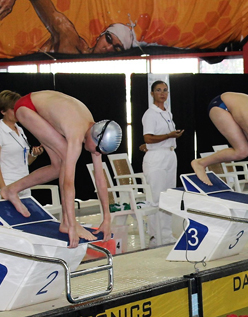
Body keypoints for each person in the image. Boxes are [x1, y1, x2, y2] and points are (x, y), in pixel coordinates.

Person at [1, 90, 122, 248]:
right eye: (97, 150)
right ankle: (66, 222)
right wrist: (72, 225)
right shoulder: (76, 133)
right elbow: (68, 184)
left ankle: (12, 190)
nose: (96, 154)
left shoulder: (94, 131)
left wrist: (107, 218)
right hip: (26, 107)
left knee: (58, 167)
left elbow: (100, 179)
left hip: (43, 108)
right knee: (66, 157)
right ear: (95, 138)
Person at [141, 81, 183, 246]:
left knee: (167, 197)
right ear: (152, 93)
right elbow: (148, 137)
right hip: (156, 158)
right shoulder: (150, 114)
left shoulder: (167, 113)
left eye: (165, 90)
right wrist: (168, 135)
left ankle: (165, 235)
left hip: (169, 154)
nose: (162, 93)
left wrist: (170, 136)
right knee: (156, 197)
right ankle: (155, 236)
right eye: (158, 90)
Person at [29, 0, 136, 54]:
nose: (108, 48)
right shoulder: (71, 40)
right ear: (100, 36)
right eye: (108, 39)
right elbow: (49, 12)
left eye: (116, 48)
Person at [0, 90, 44, 197]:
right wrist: (3, 189)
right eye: (12, 109)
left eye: (18, 108)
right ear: (3, 111)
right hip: (8, 185)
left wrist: (34, 154)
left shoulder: (20, 130)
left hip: (24, 184)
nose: (17, 112)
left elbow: (25, 162)